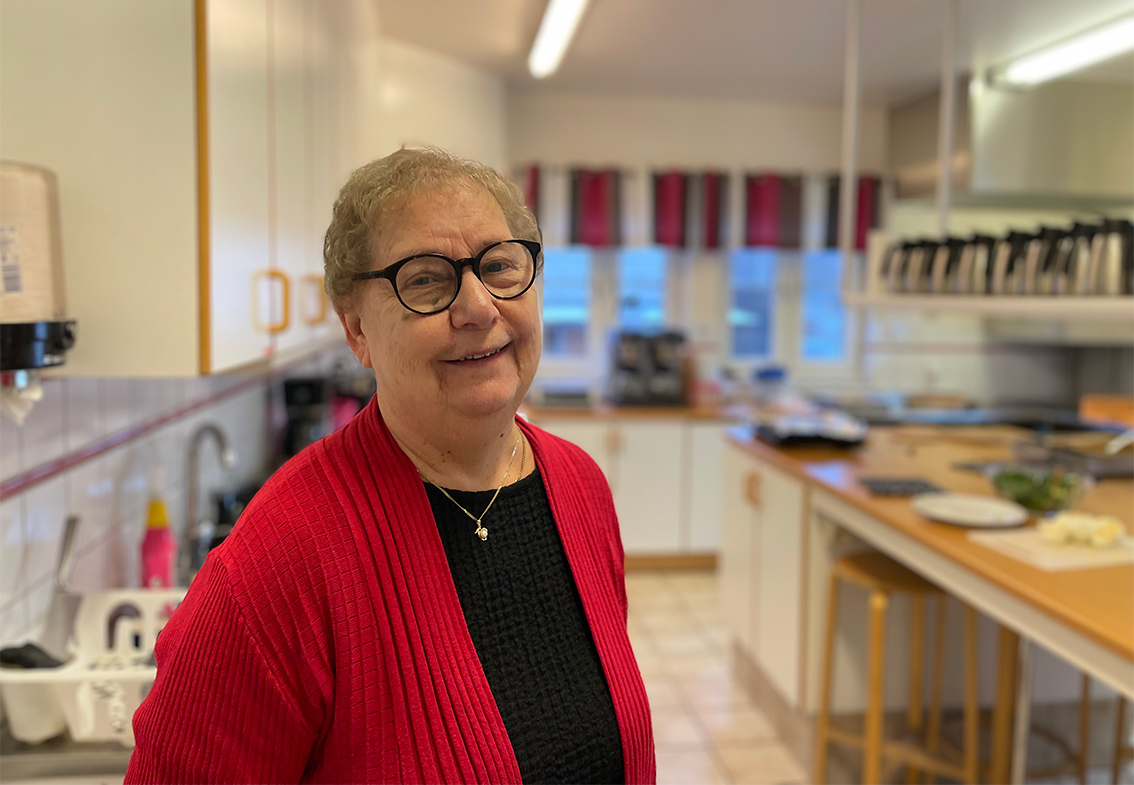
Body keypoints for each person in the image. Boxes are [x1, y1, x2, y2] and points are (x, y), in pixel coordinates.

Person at [124, 147, 655, 784]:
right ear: (356, 330)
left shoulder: (579, 485)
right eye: (425, 279)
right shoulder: (278, 562)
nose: (479, 306)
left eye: (499, 265)